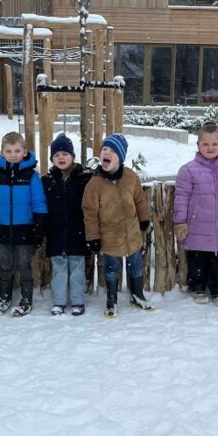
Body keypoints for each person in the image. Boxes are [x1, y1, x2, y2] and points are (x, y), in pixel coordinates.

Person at [82, 133, 153, 318]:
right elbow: (90, 213)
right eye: (104, 149)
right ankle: (111, 299)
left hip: (132, 235)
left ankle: (137, 294)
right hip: (110, 237)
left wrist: (144, 218)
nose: (106, 152)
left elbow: (140, 200)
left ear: (120, 157)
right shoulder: (94, 184)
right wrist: (93, 237)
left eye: (112, 150)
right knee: (112, 270)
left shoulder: (130, 176)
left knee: (136, 266)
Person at [0, 131, 48, 317]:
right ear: (2, 152)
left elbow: (39, 203)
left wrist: (38, 228)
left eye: (17, 150)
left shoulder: (32, 177)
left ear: (25, 152)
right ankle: (4, 297)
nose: (13, 154)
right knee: (5, 267)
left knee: (25, 266)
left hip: (24, 231)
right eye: (9, 150)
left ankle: (27, 299)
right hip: (1, 231)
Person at [174, 122, 218, 305]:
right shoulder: (188, 170)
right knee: (197, 260)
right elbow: (181, 197)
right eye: (205, 144)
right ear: (198, 145)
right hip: (197, 225)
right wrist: (180, 221)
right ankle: (197, 287)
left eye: (214, 144)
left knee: (217, 261)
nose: (210, 148)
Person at [42, 134, 92, 316]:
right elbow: (42, 207)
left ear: (72, 156)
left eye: (65, 154)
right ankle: (59, 301)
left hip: (77, 233)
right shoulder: (47, 181)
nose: (61, 158)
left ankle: (78, 301)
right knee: (59, 270)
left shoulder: (84, 179)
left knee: (78, 269)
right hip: (56, 234)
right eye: (56, 155)